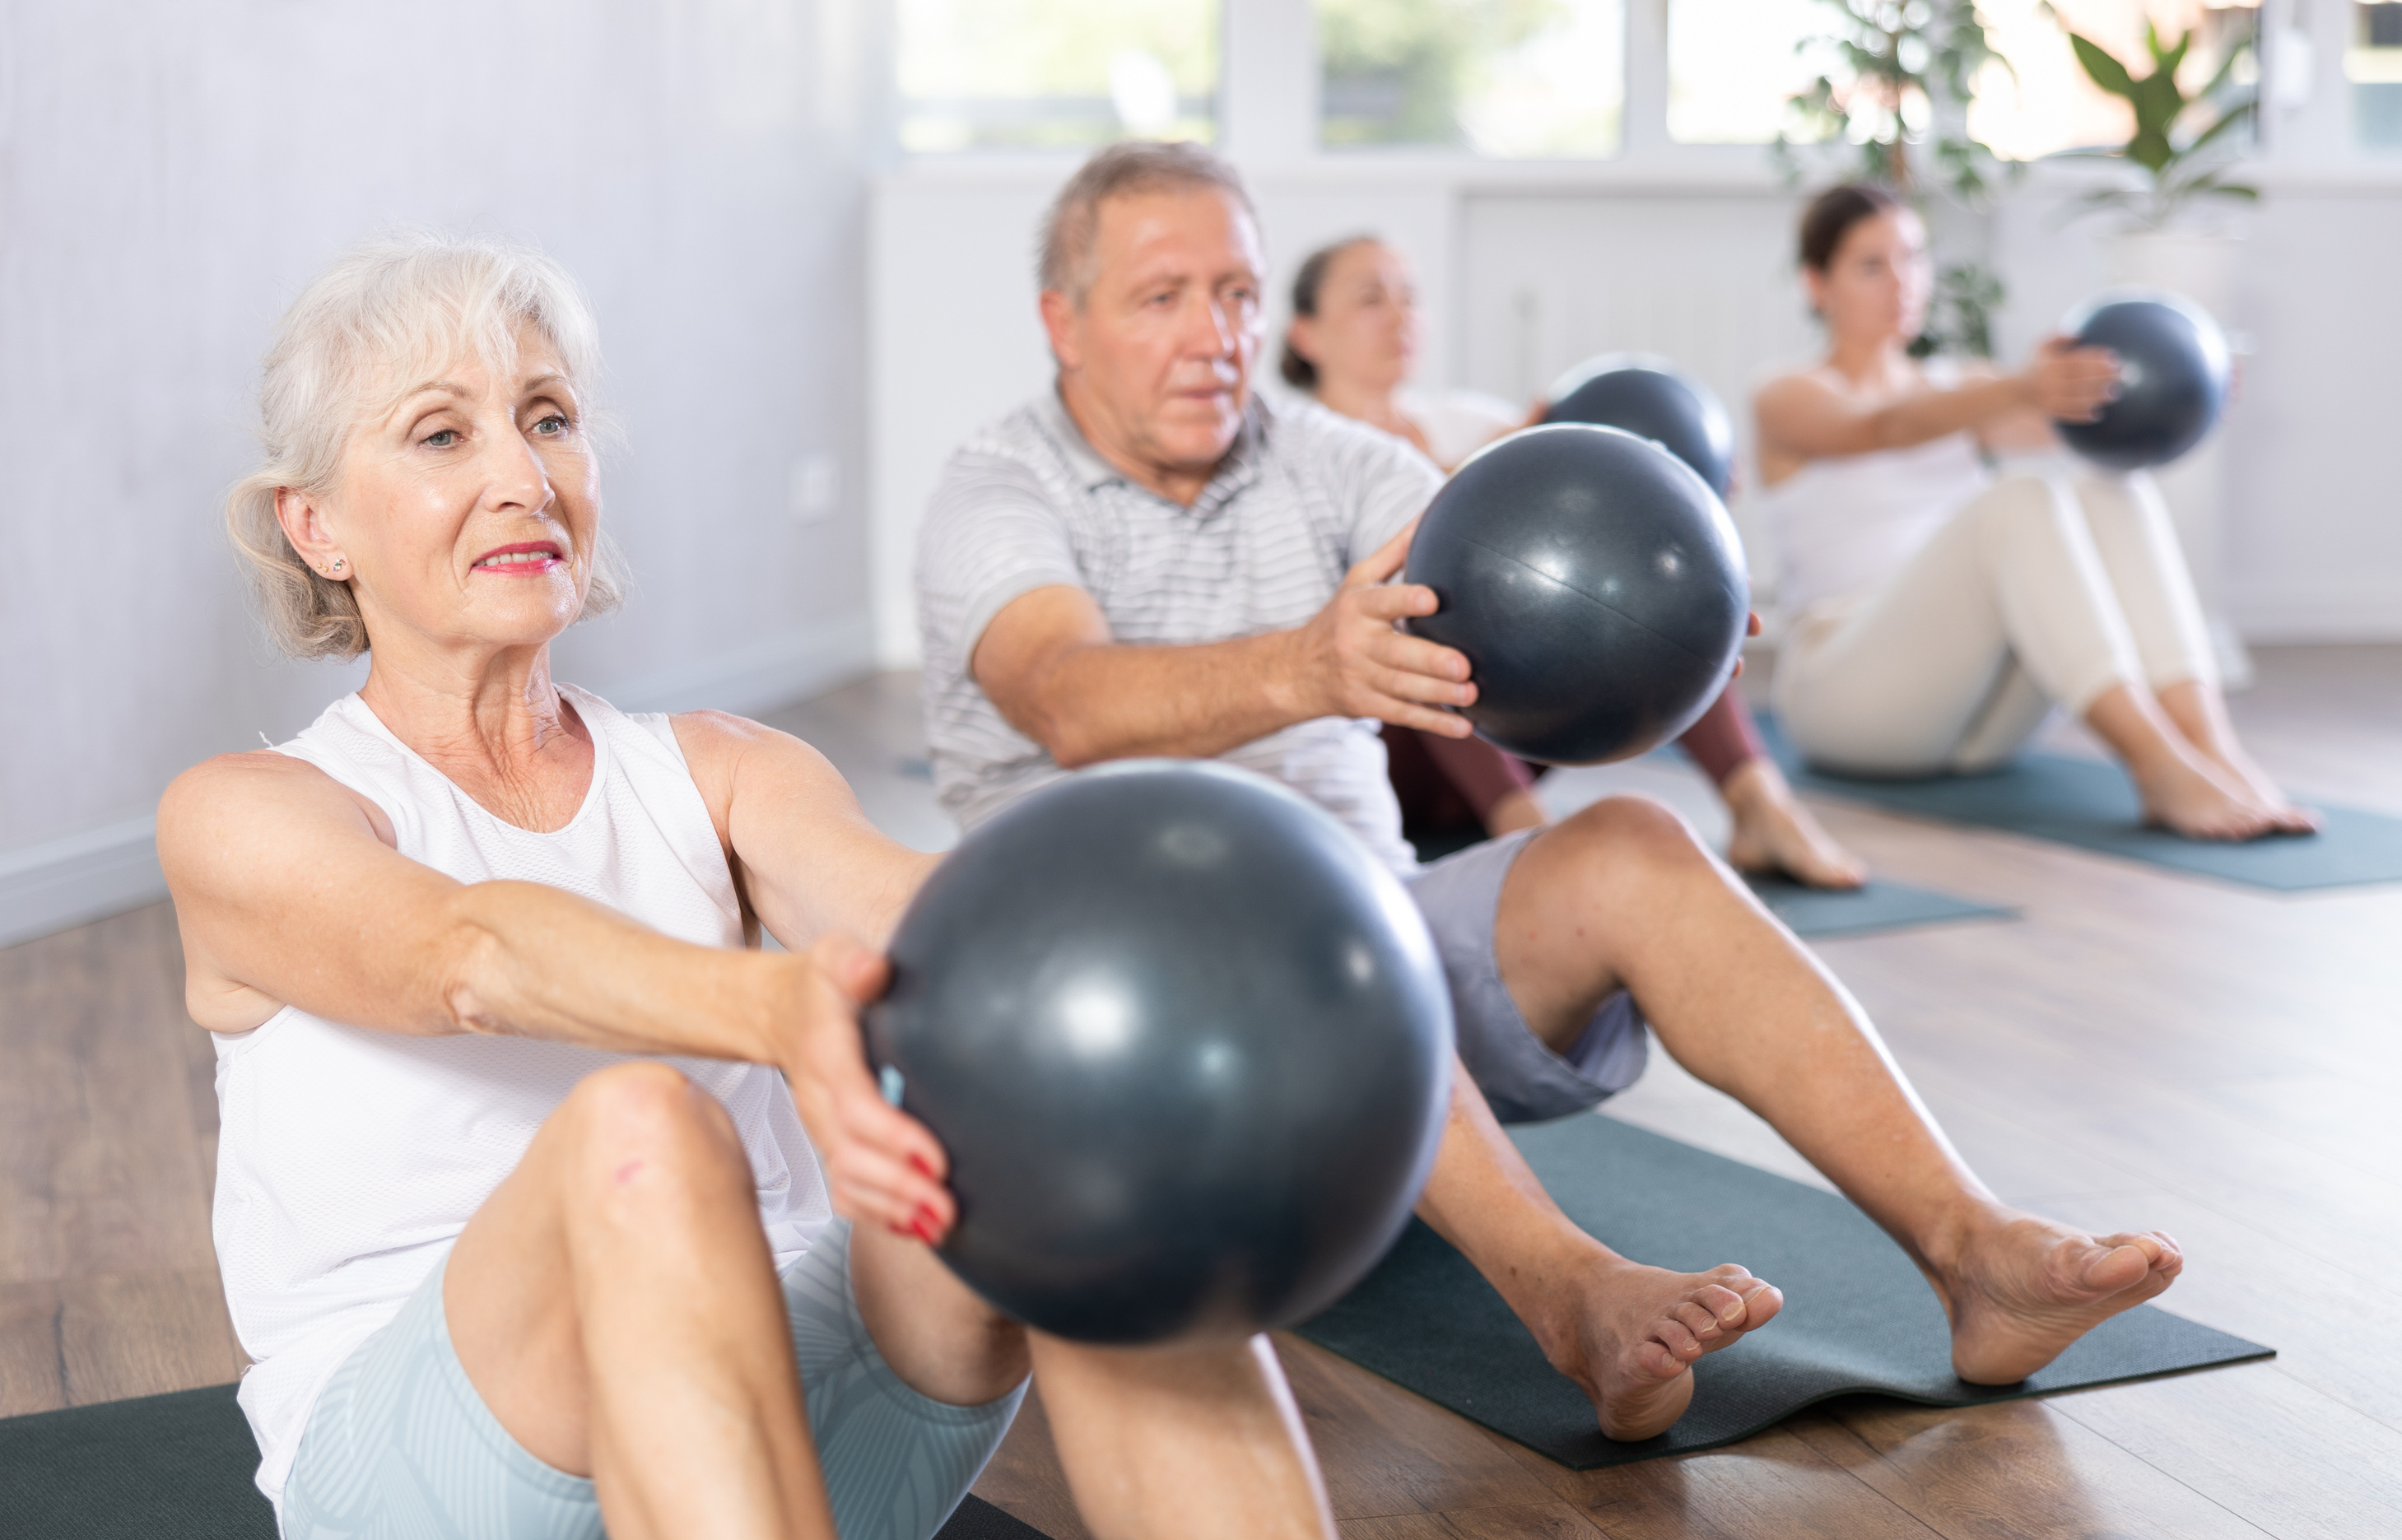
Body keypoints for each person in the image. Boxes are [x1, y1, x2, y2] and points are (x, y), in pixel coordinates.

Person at [915, 140, 2186, 1446]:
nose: (1211, 335)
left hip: (1376, 976)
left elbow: (1511, 564)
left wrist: (1659, 600)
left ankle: (1972, 1251)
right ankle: (1571, 1294)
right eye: (1159, 295)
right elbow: (1065, 696)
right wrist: (1310, 663)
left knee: (1630, 847)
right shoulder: (995, 491)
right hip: (1114, 1048)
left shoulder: (1333, 462)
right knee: (1303, 915)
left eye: (1234, 292)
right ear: (1061, 321)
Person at [158, 233, 1342, 1540]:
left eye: (547, 418)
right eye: (440, 436)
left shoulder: (723, 771)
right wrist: (780, 1006)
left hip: (798, 1407)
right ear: (314, 524)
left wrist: (1166, 962)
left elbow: (924, 927)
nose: (521, 475)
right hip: (443, 1466)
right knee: (641, 1130)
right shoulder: (248, 816)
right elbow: (465, 954)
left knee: (1064, 1140)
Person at [1280, 233, 1866, 886]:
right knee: (1439, 606)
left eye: (1410, 298)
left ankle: (1760, 802)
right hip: (1382, 750)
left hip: (1520, 729)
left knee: (1659, 599)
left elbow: (1607, 486)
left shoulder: (1469, 422)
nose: (1399, 316)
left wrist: (1686, 491)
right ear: (1306, 333)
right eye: (1370, 299)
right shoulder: (1296, 456)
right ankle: (1531, 835)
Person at [1753, 183, 2313, 841]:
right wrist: (2019, 385)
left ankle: (2215, 751)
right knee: (2021, 499)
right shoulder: (1787, 394)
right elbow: (1886, 427)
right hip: (1849, 699)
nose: (1900, 283)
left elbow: (2089, 421)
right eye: (1871, 266)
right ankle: (2157, 764)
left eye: (1913, 258)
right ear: (1816, 284)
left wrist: (2191, 388)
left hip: (1974, 719)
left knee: (2109, 483)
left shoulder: (1961, 387)